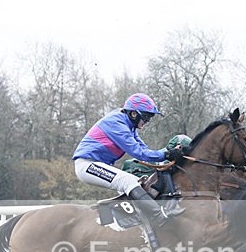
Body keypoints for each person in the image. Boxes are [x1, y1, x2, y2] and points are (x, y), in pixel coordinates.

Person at [72, 93, 184, 227]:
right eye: (146, 116)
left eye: (150, 117)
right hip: (87, 165)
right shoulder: (116, 123)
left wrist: (166, 154)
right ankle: (158, 217)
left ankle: (125, 225)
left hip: (96, 164)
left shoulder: (129, 126)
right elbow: (140, 153)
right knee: (128, 181)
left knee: (136, 187)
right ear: (133, 114)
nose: (147, 121)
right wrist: (167, 154)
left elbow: (145, 149)